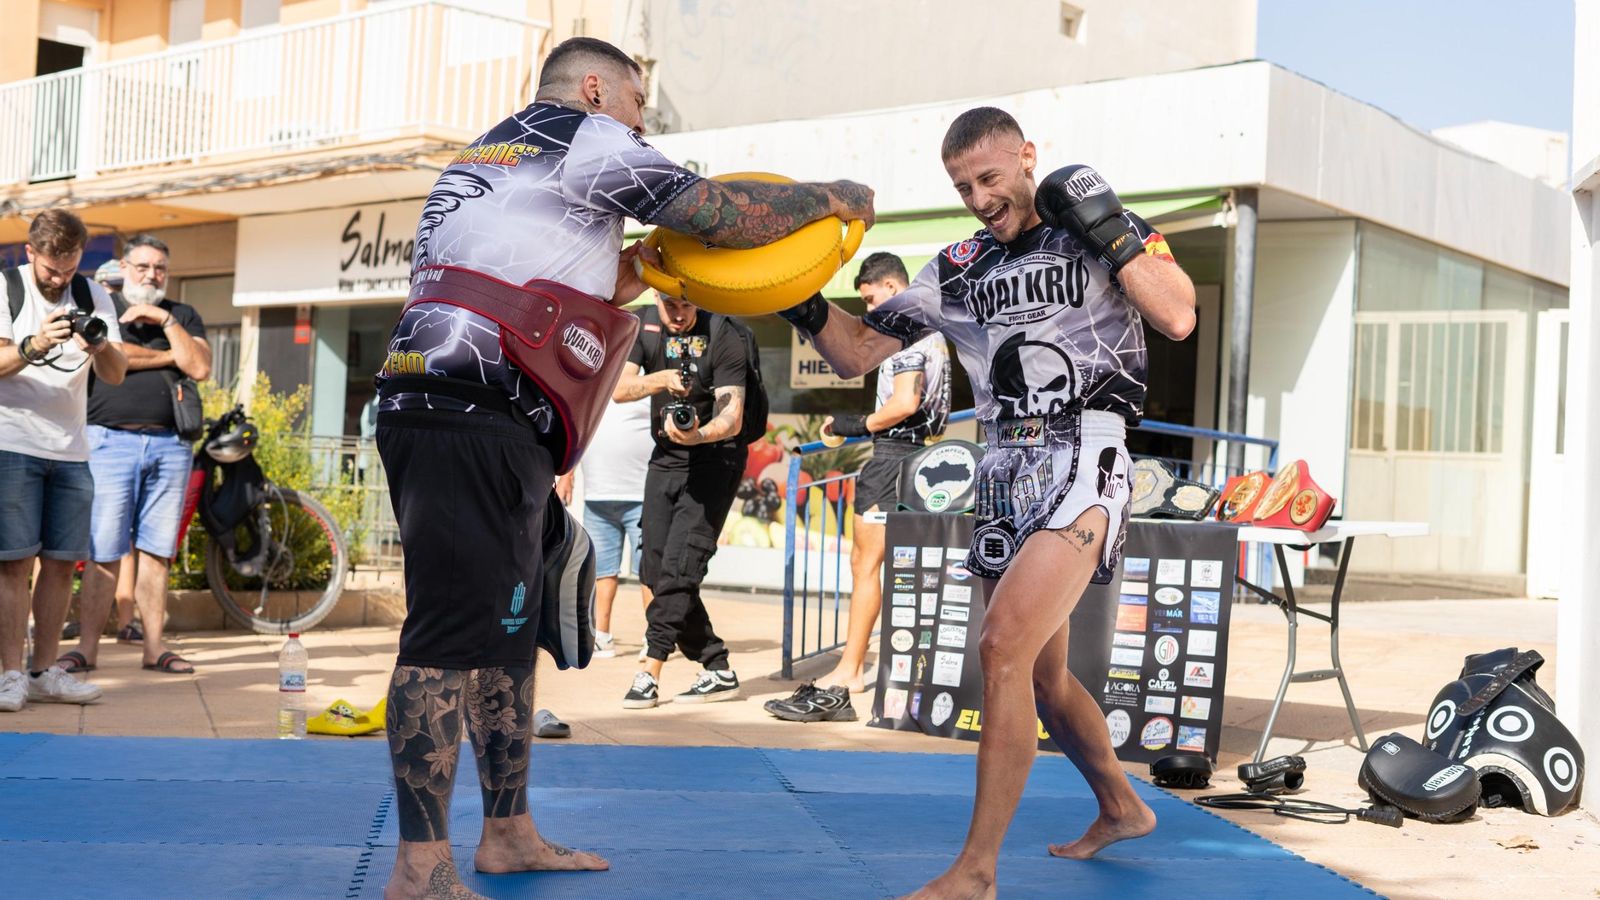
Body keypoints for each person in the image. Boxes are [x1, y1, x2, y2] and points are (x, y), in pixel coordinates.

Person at [372, 36, 873, 899]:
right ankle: (420, 869)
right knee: (444, 640)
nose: (645, 131)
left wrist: (649, 267)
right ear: (599, 89)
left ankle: (508, 834)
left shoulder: (489, 156)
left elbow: (579, 277)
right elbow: (720, 213)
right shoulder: (587, 135)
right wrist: (831, 198)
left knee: (502, 641)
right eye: (642, 111)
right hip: (471, 408)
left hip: (465, 404)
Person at [771, 107, 1195, 898]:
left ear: (1028, 157)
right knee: (1040, 676)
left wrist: (1106, 226)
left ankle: (976, 871)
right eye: (963, 185)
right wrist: (793, 298)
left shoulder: (1102, 224)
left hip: (1085, 451)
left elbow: (1175, 314)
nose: (978, 197)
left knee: (1000, 648)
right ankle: (1120, 804)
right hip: (1003, 469)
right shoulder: (959, 265)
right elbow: (860, 349)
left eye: (990, 178)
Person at [767, 251, 951, 723]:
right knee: (891, 569)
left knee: (865, 565)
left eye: (871, 300)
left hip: (896, 458)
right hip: (919, 458)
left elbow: (906, 402)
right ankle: (879, 668)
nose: (868, 311)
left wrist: (854, 423)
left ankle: (850, 671)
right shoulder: (927, 332)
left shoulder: (908, 330)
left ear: (893, 288)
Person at [58, 235, 210, 677]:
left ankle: (154, 648)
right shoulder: (103, 310)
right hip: (108, 442)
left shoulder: (182, 314)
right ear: (124, 267)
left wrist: (163, 319)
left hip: (170, 445)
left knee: (157, 552)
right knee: (103, 550)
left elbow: (198, 366)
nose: (151, 275)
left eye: (160, 268)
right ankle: (87, 650)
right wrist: (169, 357)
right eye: (143, 266)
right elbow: (113, 357)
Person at [0, 209, 129, 713]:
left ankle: (43, 671)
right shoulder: (7, 287)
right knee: (12, 566)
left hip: (72, 451)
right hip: (13, 444)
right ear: (31, 253)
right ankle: (10, 674)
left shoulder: (93, 294)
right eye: (52, 270)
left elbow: (116, 373)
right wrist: (35, 343)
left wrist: (97, 343)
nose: (59, 279)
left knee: (58, 565)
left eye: (69, 268)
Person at [611, 292, 763, 709]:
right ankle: (716, 666)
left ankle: (650, 669)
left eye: (687, 305)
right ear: (657, 298)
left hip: (717, 457)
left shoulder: (724, 332)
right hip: (665, 458)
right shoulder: (644, 325)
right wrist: (659, 379)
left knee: (682, 565)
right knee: (654, 569)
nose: (679, 315)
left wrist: (698, 433)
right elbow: (619, 390)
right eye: (670, 305)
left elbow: (731, 417)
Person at [555, 390, 655, 659]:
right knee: (602, 570)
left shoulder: (646, 376)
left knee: (648, 570)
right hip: (598, 495)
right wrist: (566, 475)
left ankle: (654, 638)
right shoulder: (598, 375)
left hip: (642, 494)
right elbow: (579, 428)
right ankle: (602, 636)